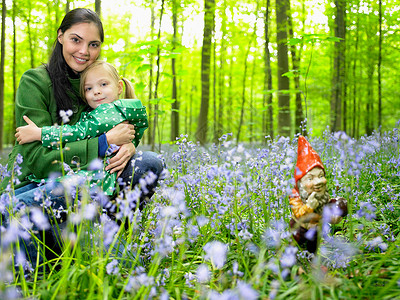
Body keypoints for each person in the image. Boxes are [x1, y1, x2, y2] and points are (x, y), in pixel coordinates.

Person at [0, 8, 163, 266]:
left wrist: (128, 144)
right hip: (42, 186)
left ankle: (100, 233)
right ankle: (51, 263)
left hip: (87, 185)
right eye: (76, 40)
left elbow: (120, 122)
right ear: (60, 36)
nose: (84, 51)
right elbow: (39, 161)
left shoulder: (97, 81)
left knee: (150, 162)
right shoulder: (35, 82)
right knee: (24, 212)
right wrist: (103, 143)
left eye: (93, 44)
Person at [14, 60, 149, 196]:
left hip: (92, 179)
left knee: (23, 201)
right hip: (93, 175)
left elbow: (78, 132)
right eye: (88, 88)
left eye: (103, 84)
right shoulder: (124, 110)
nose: (96, 91)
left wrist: (40, 133)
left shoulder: (109, 112)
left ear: (119, 87)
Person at [289, 136, 347, 253]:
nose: (318, 182)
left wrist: (334, 216)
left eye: (321, 176)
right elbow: (299, 214)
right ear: (300, 183)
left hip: (315, 228)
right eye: (310, 178)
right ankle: (295, 256)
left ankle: (313, 257)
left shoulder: (323, 196)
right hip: (300, 228)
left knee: (314, 243)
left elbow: (325, 212)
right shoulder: (295, 197)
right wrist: (309, 206)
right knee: (297, 242)